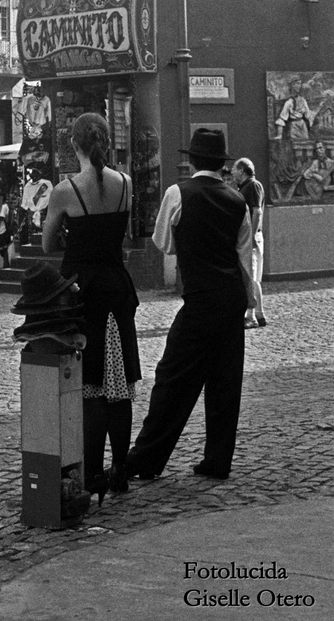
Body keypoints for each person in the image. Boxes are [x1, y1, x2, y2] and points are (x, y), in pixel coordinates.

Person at [125, 129, 255, 483]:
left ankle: (147, 458)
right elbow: (245, 260)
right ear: (221, 164)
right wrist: (251, 303)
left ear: (193, 160)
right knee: (225, 381)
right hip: (230, 298)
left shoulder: (177, 193)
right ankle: (217, 460)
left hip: (199, 298)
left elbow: (164, 243)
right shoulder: (237, 200)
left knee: (172, 377)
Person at [41, 113, 140, 502]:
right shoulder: (126, 184)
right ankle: (120, 468)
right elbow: (122, 234)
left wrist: (72, 239)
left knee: (92, 385)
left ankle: (93, 470)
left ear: (75, 145)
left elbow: (49, 245)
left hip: (84, 292)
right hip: (118, 287)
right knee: (121, 383)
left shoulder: (66, 191)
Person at [231, 157, 267, 329]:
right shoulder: (247, 187)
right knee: (253, 278)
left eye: (234, 169)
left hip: (250, 237)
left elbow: (257, 211)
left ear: (242, 171)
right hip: (251, 236)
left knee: (250, 276)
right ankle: (259, 315)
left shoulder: (252, 185)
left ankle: (251, 316)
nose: (231, 171)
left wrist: (251, 236)